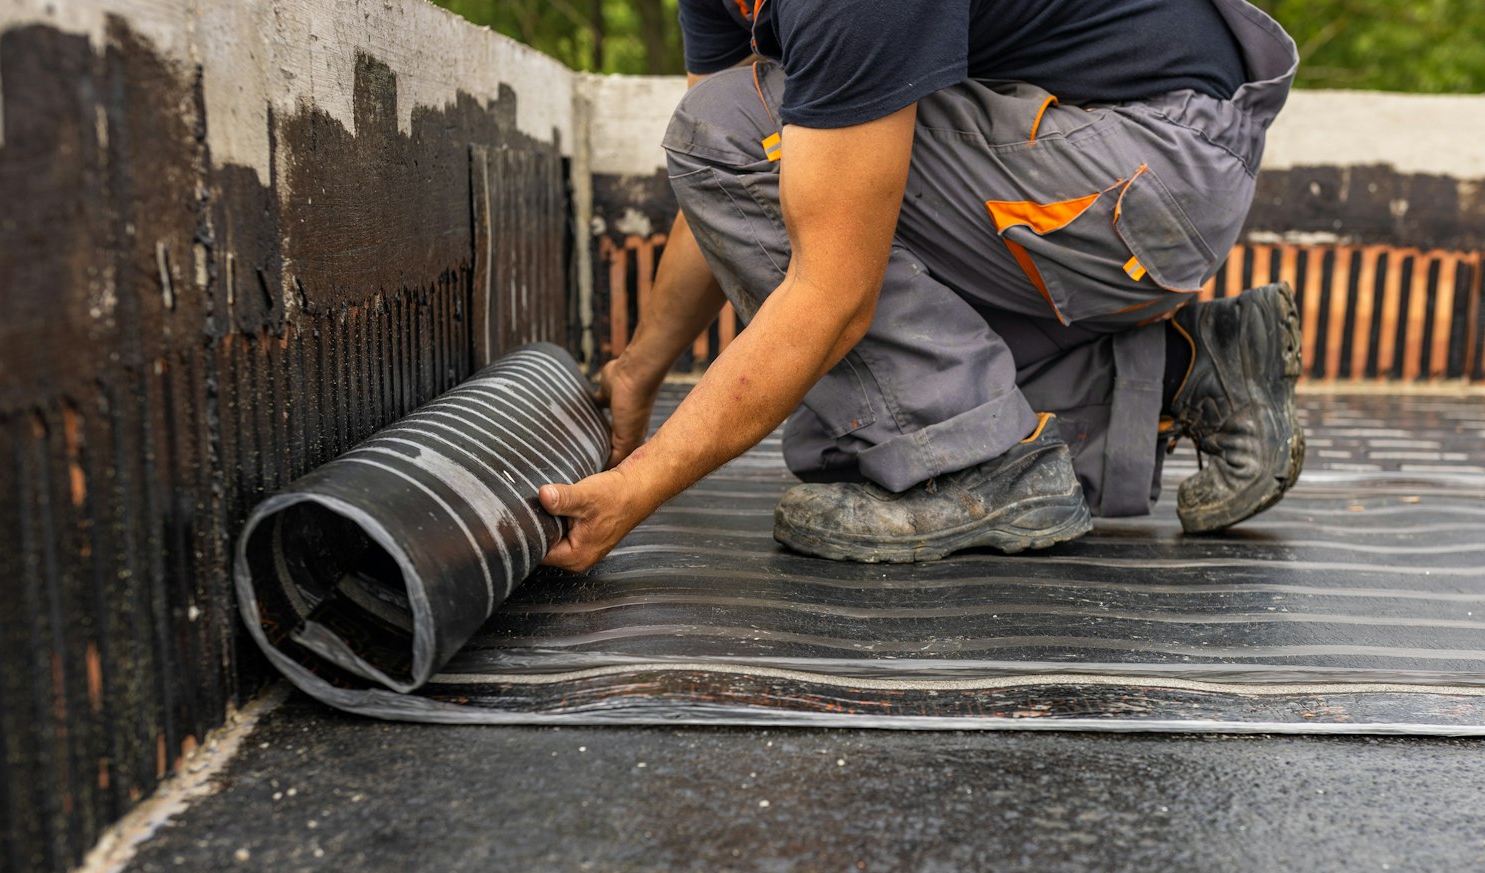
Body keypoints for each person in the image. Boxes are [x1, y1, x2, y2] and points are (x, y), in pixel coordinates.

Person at [539, 0, 1303, 569]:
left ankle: (978, 469)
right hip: (1107, 164)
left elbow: (822, 282)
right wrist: (639, 368)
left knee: (873, 393)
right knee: (846, 426)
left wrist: (639, 488)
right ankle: (1190, 370)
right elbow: (731, 180)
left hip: (1150, 166)